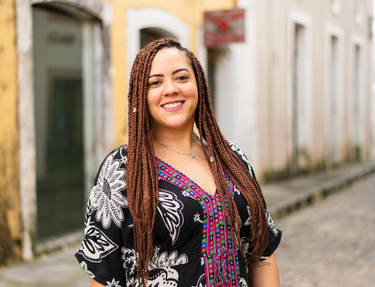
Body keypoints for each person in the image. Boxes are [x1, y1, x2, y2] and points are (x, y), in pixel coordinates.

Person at [75, 38, 282, 287]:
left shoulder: (232, 159)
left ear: (199, 85)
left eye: (181, 77)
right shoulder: (121, 169)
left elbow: (262, 253)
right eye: (155, 82)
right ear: (141, 95)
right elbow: (104, 274)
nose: (171, 89)